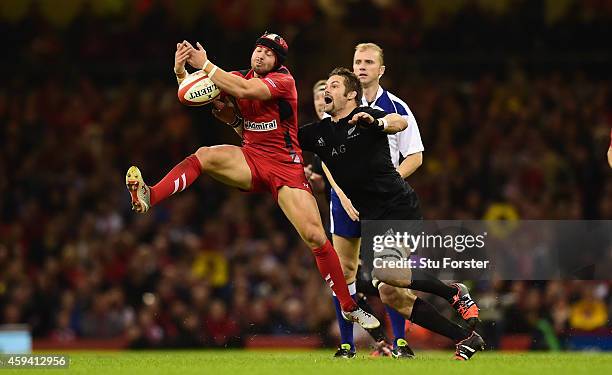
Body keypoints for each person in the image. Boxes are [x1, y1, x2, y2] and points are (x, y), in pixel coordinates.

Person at [125, 33, 379, 331]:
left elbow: (243, 89)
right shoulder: (232, 76)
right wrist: (181, 72)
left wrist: (204, 64)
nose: (260, 55)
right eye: (258, 49)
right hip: (252, 158)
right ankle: (149, 194)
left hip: (286, 166)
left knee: (315, 237)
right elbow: (187, 94)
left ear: (277, 62)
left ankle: (349, 307)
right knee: (204, 155)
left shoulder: (283, 81)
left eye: (269, 53)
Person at [298, 67, 485, 360]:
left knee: (385, 273)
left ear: (350, 95)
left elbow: (400, 122)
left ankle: (453, 292)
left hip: (398, 206)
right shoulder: (320, 132)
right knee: (389, 292)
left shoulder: (365, 116)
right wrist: (236, 119)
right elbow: (280, 140)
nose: (326, 91)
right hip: (374, 218)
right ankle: (466, 338)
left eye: (334, 86)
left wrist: (378, 121)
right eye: (326, 87)